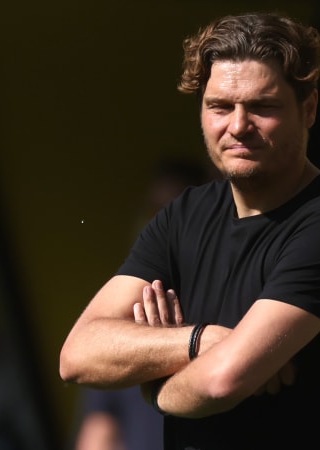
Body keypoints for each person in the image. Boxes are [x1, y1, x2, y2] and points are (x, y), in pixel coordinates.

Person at [60, 11, 320, 450]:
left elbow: (222, 381)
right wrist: (205, 340)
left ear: (308, 108)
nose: (237, 126)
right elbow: (78, 355)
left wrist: (155, 387)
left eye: (262, 107)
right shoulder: (184, 215)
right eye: (220, 106)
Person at [73, 158, 213, 450]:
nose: (160, 224)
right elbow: (99, 430)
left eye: (173, 213)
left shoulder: (229, 299)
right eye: (154, 211)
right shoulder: (125, 310)